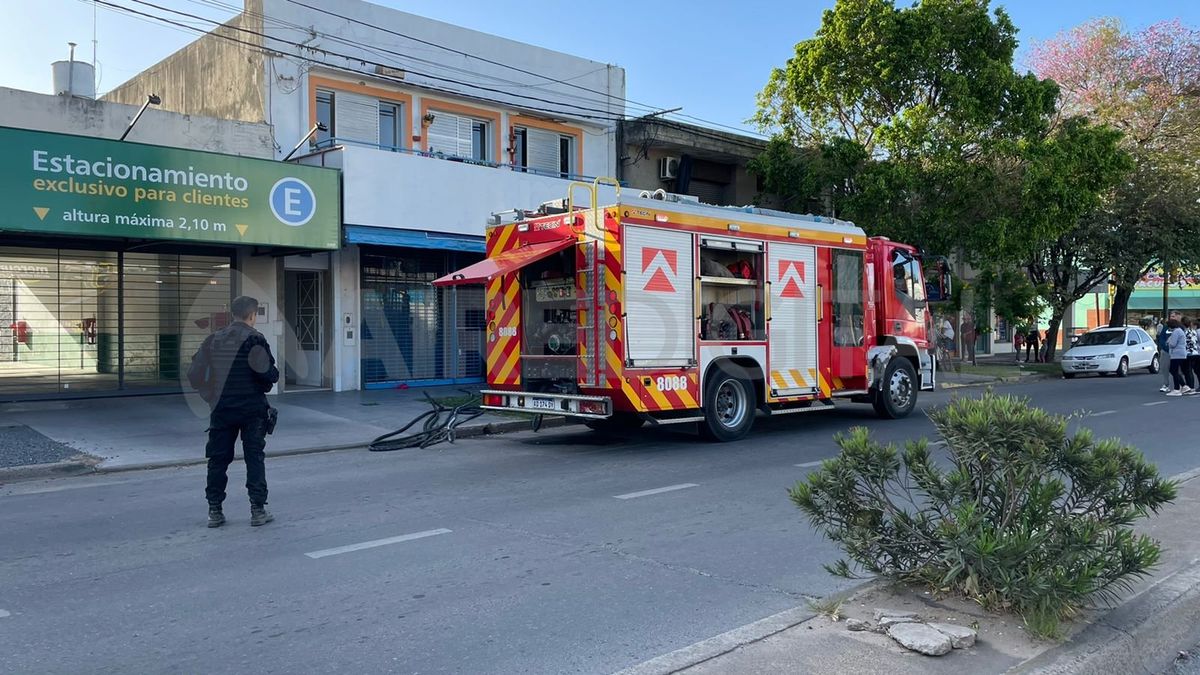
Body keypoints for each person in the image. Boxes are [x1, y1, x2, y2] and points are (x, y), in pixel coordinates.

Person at [187, 295, 280, 528]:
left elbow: (194, 376)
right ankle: (258, 511)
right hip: (252, 409)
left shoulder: (213, 339)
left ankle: (214, 512)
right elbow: (268, 375)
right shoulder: (254, 340)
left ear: (232, 314)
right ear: (252, 315)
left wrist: (210, 396)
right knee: (254, 458)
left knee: (218, 460)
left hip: (222, 409)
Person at [1157, 311, 1181, 393]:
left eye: (1173, 316)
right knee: (1165, 367)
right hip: (1166, 351)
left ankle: (1180, 385)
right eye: (1171, 316)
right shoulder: (1165, 327)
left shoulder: (1180, 328)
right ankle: (1166, 384)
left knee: (1178, 369)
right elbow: (1162, 338)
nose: (1172, 318)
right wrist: (1165, 347)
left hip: (1177, 352)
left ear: (1178, 317)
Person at [1166, 317, 1190, 396]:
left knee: (1173, 370)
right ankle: (1184, 386)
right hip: (1181, 354)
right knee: (1175, 371)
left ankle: (1177, 389)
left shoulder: (1176, 332)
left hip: (1176, 354)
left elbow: (1173, 344)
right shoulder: (1180, 331)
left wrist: (1169, 341)